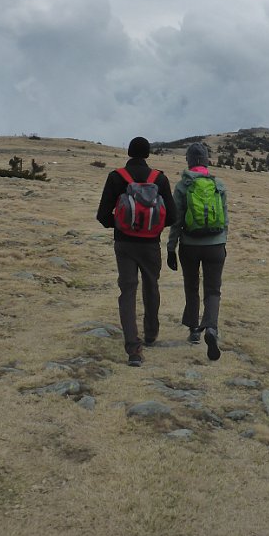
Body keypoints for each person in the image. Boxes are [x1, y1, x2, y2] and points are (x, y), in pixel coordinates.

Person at [96, 136, 177, 367]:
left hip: (124, 245)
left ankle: (133, 348)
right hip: (151, 244)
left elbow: (102, 216)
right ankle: (151, 334)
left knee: (128, 290)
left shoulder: (116, 177)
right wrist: (153, 226)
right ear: (148, 154)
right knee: (151, 286)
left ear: (129, 152)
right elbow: (172, 216)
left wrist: (121, 225)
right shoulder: (159, 179)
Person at [167, 142, 229, 361]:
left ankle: (194, 329)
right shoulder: (218, 184)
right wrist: (223, 243)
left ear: (189, 161)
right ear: (206, 161)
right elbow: (225, 220)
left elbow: (175, 221)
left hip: (189, 246)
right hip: (215, 246)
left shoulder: (183, 186)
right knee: (213, 290)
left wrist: (170, 249)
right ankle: (211, 328)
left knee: (191, 286)